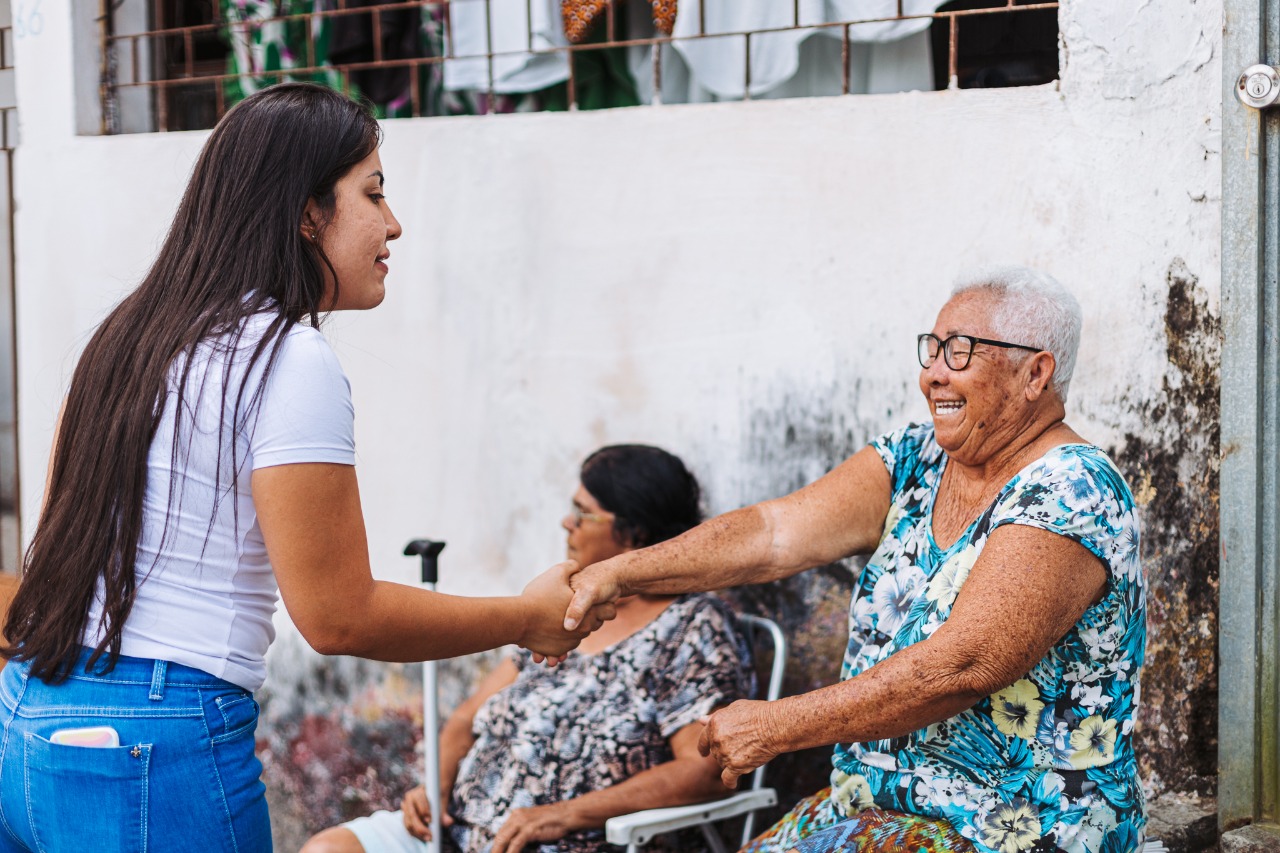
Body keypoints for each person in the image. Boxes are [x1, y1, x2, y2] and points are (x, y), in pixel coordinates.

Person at [0, 83, 608, 853]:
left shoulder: (123, 339)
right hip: (152, 744)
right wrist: (525, 618)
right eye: (373, 194)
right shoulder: (287, 357)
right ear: (304, 211)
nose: (394, 224)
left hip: (28, 720)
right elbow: (337, 614)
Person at [564, 267, 1146, 853]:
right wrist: (621, 573)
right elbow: (773, 532)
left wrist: (777, 726)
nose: (933, 373)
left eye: (961, 352)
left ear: (1035, 373)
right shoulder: (915, 457)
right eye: (933, 348)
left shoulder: (1073, 489)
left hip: (1010, 824)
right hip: (875, 804)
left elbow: (965, 665)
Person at [302, 444, 755, 853]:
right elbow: (464, 719)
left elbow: (703, 772)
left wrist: (564, 815)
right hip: (456, 829)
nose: (567, 521)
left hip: (571, 843)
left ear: (633, 532)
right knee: (329, 849)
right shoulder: (567, 605)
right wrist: (435, 788)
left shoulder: (695, 627)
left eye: (583, 513)